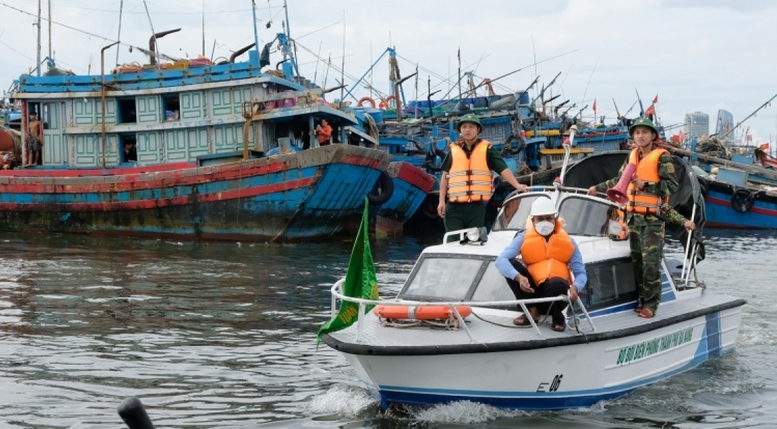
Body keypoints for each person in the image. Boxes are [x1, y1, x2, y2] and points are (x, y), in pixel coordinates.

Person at [587, 117, 695, 318]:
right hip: (633, 220)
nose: (640, 136)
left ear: (653, 135)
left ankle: (651, 305)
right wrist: (597, 188)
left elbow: (671, 186)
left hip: (652, 221)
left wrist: (644, 185)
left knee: (650, 265)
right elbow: (619, 181)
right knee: (637, 263)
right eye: (637, 132)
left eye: (645, 132)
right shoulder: (632, 156)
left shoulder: (663, 158)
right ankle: (642, 300)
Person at [495, 197, 587, 332]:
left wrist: (576, 288)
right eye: (540, 219)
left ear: (555, 219)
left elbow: (581, 273)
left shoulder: (569, 242)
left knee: (556, 283)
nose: (545, 222)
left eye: (548, 218)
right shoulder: (523, 237)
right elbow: (501, 261)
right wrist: (519, 278)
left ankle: (557, 317)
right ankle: (532, 310)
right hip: (531, 292)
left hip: (557, 295)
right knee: (512, 263)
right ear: (533, 221)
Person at [437, 113, 528, 232]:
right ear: (460, 130)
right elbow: (445, 177)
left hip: (476, 208)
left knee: (474, 242)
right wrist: (441, 201)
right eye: (464, 127)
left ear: (478, 130)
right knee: (453, 242)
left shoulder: (487, 150)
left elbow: (503, 169)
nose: (467, 130)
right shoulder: (454, 150)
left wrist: (517, 185)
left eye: (471, 127)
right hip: (454, 207)